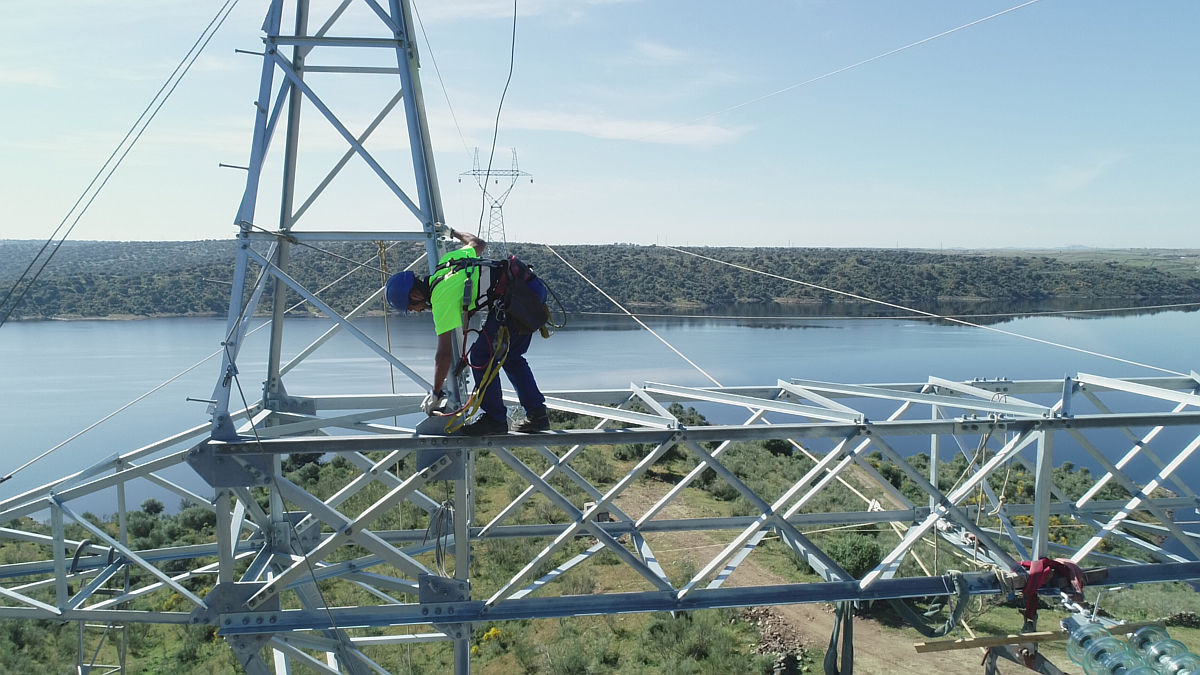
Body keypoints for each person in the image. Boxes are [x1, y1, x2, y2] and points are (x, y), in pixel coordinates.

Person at [385, 227, 550, 436]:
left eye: (411, 307)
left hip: (516, 300)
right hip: (528, 291)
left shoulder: (440, 297)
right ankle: (537, 415)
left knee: (481, 355)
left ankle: (495, 419)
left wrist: (436, 393)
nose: (415, 311)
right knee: (512, 357)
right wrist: (452, 232)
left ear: (416, 294)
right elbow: (478, 243)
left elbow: (443, 354)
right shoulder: (447, 263)